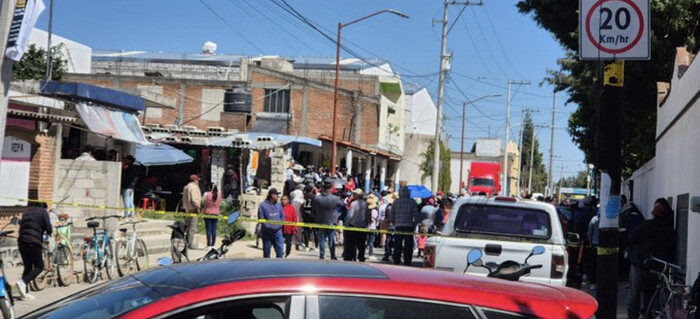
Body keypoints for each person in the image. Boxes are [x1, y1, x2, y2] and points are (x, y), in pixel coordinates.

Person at [626, 198, 674, 319]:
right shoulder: (669, 231)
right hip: (656, 266)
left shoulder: (645, 225)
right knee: (651, 293)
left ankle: (632, 315)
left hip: (640, 262)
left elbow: (631, 238)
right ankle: (648, 314)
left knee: (635, 292)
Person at [16, 202, 52, 300]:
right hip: (34, 242)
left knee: (28, 267)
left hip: (22, 242)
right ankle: (22, 282)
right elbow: (48, 227)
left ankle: (24, 293)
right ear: (44, 207)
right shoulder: (43, 212)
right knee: (39, 267)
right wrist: (49, 232)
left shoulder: (26, 212)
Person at [312, 182, 343, 260]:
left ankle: (322, 255)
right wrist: (338, 214)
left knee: (322, 239)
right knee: (331, 239)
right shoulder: (335, 198)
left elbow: (313, 210)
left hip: (321, 221)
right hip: (332, 221)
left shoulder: (317, 198)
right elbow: (342, 205)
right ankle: (332, 255)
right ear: (330, 189)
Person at [392, 186, 420, 266]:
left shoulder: (395, 202)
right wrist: (415, 224)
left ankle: (396, 260)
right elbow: (416, 215)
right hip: (409, 226)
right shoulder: (412, 202)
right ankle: (407, 260)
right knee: (408, 245)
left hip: (398, 225)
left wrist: (393, 222)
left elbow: (392, 214)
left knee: (397, 244)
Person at [258, 188, 284, 258]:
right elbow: (261, 218)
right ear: (272, 195)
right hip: (267, 233)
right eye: (276, 195)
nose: (278, 197)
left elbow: (282, 216)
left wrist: (279, 225)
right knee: (266, 252)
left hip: (278, 232)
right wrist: (268, 226)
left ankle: (279, 266)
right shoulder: (263, 206)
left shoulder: (279, 205)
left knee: (280, 251)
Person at [344, 189, 369, 262]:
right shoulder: (366, 204)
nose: (353, 195)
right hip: (362, 226)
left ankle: (351, 256)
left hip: (353, 225)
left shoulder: (353, 204)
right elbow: (367, 215)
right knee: (361, 244)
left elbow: (350, 215)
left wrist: (347, 224)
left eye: (354, 194)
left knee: (352, 243)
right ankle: (361, 256)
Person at [182, 174, 202, 249]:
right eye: (197, 180)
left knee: (188, 227)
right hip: (193, 210)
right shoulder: (194, 187)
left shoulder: (186, 187)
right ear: (195, 180)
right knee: (192, 228)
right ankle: (189, 244)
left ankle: (186, 242)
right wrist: (198, 207)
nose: (198, 182)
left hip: (187, 209)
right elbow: (194, 199)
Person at [202, 183, 222, 250]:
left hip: (207, 213)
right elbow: (220, 203)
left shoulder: (206, 194)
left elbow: (202, 202)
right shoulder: (219, 195)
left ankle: (208, 245)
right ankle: (213, 245)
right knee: (214, 230)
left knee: (208, 229)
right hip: (216, 214)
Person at [121, 155, 139, 219]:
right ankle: (132, 214)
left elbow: (124, 175)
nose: (125, 161)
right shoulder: (134, 167)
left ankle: (126, 214)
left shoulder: (128, 167)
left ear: (129, 160)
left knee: (126, 201)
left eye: (126, 159)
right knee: (130, 201)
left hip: (127, 186)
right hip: (132, 187)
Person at [587, 212, 600, 290]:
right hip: (605, 246)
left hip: (595, 246)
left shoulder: (594, 219)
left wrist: (591, 243)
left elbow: (590, 233)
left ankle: (593, 283)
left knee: (594, 265)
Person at [290, 185, 305, 250]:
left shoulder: (293, 201)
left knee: (293, 228)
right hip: (299, 216)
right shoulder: (300, 201)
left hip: (293, 216)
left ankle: (293, 240)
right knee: (299, 229)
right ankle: (298, 240)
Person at [366, 194, 379, 259]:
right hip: (373, 228)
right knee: (371, 242)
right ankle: (371, 254)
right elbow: (376, 219)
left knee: (366, 241)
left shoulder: (366, 211)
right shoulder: (374, 211)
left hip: (366, 227)